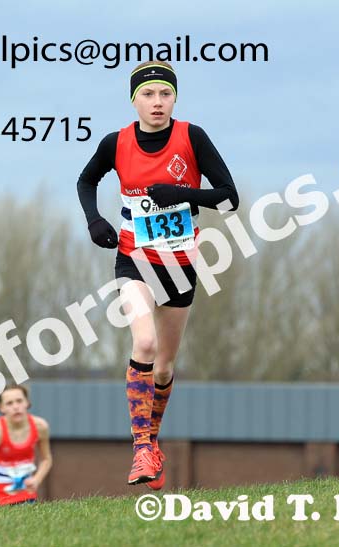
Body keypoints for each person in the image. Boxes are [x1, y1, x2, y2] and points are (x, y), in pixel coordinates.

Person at [76, 60, 239, 488]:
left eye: (164, 94)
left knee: (164, 367)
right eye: (148, 95)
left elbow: (229, 199)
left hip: (180, 266)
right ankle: (142, 449)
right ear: (134, 100)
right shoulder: (117, 142)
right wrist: (95, 221)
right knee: (143, 342)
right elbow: (85, 180)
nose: (157, 102)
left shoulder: (192, 137)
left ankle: (153, 439)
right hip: (134, 260)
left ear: (174, 98)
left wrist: (182, 195)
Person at [0, 383, 53, 506]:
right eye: (9, 403)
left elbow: (46, 459)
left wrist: (36, 480)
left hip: (26, 494)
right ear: (1, 408)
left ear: (27, 402)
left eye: (19, 401)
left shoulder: (40, 427)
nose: (16, 407)